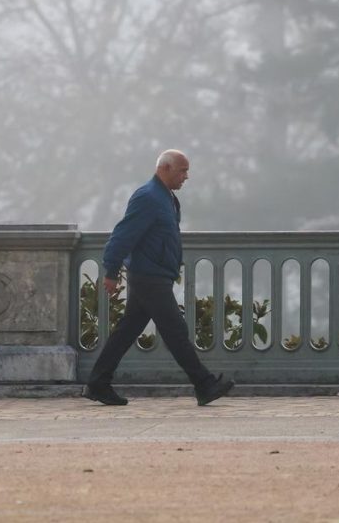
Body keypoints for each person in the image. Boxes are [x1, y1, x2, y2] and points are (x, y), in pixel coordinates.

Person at [82, 149, 234, 406]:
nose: (186, 176)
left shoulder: (166, 198)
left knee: (127, 331)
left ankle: (98, 382)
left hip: (155, 275)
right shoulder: (149, 197)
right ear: (164, 168)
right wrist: (110, 270)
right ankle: (204, 384)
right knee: (175, 330)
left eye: (187, 170)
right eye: (182, 170)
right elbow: (123, 235)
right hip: (148, 277)